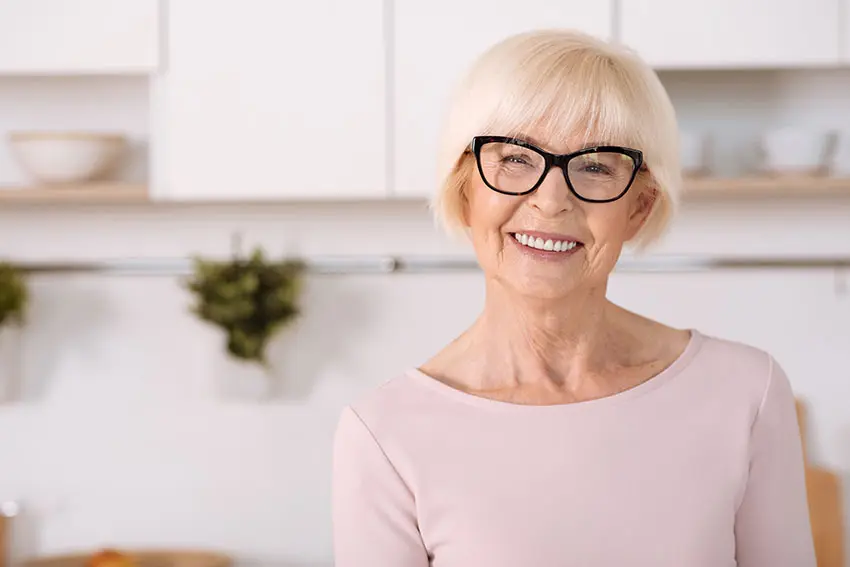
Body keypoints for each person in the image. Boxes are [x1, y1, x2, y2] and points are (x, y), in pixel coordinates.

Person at [331, 29, 815, 566]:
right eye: (516, 158)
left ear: (639, 208)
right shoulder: (384, 435)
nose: (551, 200)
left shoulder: (746, 392)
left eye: (595, 166)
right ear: (465, 188)